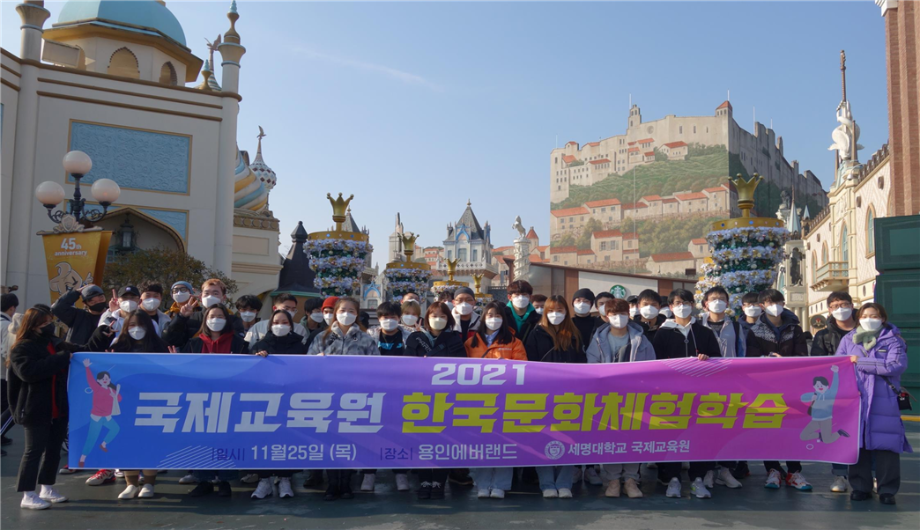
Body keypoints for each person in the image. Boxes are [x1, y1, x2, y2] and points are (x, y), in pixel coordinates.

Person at [84, 311, 166, 499]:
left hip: (151, 402)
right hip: (124, 403)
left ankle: (149, 483)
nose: (136, 329)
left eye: (141, 325)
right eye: (132, 325)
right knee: (126, 442)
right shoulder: (118, 346)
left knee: (149, 442)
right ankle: (131, 484)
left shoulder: (159, 346)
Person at [836, 303, 910, 506]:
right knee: (857, 445)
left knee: (887, 446)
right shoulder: (848, 339)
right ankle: (860, 487)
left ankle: (887, 489)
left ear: (882, 318)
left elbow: (895, 366)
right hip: (856, 399)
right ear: (858, 318)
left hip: (884, 400)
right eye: (864, 315)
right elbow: (839, 365)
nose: (869, 319)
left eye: (874, 315)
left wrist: (861, 362)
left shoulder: (894, 340)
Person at [652, 289, 721, 499]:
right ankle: (673, 479)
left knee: (699, 435)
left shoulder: (704, 332)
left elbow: (718, 360)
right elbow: (654, 364)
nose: (682, 306)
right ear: (670, 307)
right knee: (672, 436)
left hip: (700, 395)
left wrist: (707, 359)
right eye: (678, 303)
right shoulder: (663, 333)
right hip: (671, 395)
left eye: (686, 302)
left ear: (693, 305)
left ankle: (697, 479)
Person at [308, 297, 378, 500]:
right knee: (330, 440)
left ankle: (346, 482)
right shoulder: (322, 337)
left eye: (351, 311)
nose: (346, 314)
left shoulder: (366, 339)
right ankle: (332, 484)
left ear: (357, 314)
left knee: (350, 440)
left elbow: (377, 367)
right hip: (328, 397)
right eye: (342, 310)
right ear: (335, 313)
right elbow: (307, 365)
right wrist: (316, 362)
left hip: (355, 398)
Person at [586, 298, 655, 499]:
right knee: (611, 439)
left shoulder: (641, 339)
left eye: (623, 313)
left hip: (636, 397)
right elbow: (592, 367)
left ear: (629, 315)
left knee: (634, 438)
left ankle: (631, 479)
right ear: (606, 316)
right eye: (614, 314)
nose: (619, 318)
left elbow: (652, 367)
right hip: (608, 399)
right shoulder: (598, 340)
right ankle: (613, 480)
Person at [745, 289, 811, 491]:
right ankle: (773, 470)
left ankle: (794, 471)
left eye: (778, 302)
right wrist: (767, 361)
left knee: (792, 428)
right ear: (762, 306)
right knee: (769, 428)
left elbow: (802, 356)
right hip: (765, 388)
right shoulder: (754, 331)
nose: (774, 306)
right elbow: (750, 359)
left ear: (783, 303)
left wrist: (786, 362)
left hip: (792, 386)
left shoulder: (795, 329)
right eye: (769, 303)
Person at [8, 307, 71, 510]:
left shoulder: (53, 342)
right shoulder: (21, 348)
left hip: (57, 406)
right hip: (34, 407)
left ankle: (47, 487)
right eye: (44, 323)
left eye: (49, 322)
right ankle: (27, 494)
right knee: (33, 451)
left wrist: (102, 334)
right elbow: (29, 372)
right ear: (32, 326)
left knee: (53, 450)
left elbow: (81, 348)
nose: (48, 326)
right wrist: (60, 358)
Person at [462, 301, 526, 499]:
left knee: (505, 443)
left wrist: (506, 365)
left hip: (506, 399)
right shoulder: (471, 342)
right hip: (478, 400)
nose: (494, 319)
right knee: (481, 443)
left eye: (498, 316)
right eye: (490, 315)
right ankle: (482, 483)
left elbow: (523, 367)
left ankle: (500, 484)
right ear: (483, 318)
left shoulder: (514, 342)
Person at [245, 309, 308, 500]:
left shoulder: (299, 345)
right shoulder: (261, 345)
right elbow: (250, 369)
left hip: (291, 400)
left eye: (284, 322)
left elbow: (307, 368)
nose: (280, 325)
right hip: (265, 401)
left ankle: (285, 479)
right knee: (263, 440)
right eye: (276, 322)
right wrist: (257, 357)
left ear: (291, 325)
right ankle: (264, 480)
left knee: (288, 439)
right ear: (270, 325)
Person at [524, 296, 584, 498]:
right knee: (542, 438)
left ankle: (564, 483)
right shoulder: (536, 333)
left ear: (566, 312)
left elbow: (582, 363)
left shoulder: (574, 334)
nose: (555, 314)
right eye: (551, 310)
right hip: (542, 394)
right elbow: (529, 364)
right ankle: (547, 483)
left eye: (560, 310)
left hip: (570, 395)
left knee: (568, 438)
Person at [406, 302, 466, 499]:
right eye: (434, 316)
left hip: (446, 398)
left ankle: (439, 481)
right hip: (419, 398)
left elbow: (462, 367)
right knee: (421, 440)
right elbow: (405, 365)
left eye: (442, 316)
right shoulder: (415, 338)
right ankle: (424, 480)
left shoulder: (455, 339)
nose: (438, 319)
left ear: (448, 319)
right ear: (426, 318)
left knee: (444, 441)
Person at [360, 302, 413, 493]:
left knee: (399, 434)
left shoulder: (410, 336)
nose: (388, 320)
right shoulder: (368, 337)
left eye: (392, 317)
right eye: (384, 317)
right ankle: (369, 474)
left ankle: (400, 474)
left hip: (401, 393)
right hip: (373, 392)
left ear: (399, 318)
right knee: (372, 433)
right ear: (378, 318)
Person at [811, 291, 859, 492]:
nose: (841, 308)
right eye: (835, 305)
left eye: (844, 304)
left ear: (852, 306)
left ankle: (870, 475)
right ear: (829, 309)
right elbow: (817, 364)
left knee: (866, 433)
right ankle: (840, 475)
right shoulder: (823, 335)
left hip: (865, 388)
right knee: (838, 431)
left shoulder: (866, 330)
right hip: (836, 392)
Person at [163, 279, 243, 347]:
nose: (210, 296)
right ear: (201, 297)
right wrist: (181, 317)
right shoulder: (190, 318)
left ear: (223, 297)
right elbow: (169, 340)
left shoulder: (233, 320)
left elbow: (238, 344)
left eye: (215, 293)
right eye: (206, 293)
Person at [179, 305, 249, 355]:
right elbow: (186, 364)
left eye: (220, 316)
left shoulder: (239, 343)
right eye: (212, 317)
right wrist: (176, 358)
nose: (215, 319)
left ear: (226, 319)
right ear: (205, 320)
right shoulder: (193, 343)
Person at [2, 293, 20, 452]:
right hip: (3, 374)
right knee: (9, 407)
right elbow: (6, 351)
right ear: (12, 308)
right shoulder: (7, 326)